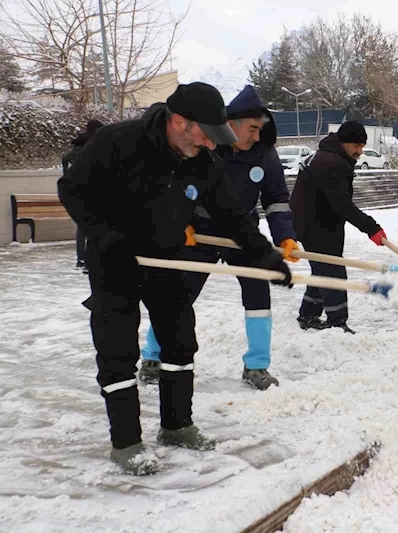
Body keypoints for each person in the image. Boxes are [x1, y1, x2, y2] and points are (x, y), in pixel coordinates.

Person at [57, 82, 293, 475]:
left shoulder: (203, 161)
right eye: (205, 135)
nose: (211, 146)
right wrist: (106, 235)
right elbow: (73, 191)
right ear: (179, 121)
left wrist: (264, 255)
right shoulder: (118, 142)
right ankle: (126, 443)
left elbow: (231, 215)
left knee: (180, 340)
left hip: (167, 258)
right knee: (117, 350)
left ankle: (177, 425)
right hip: (115, 260)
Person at [138, 85, 298, 391]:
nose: (256, 135)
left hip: (244, 233)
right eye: (252, 128)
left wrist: (285, 237)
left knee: (258, 297)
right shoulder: (208, 146)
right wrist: (180, 222)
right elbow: (180, 186)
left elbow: (277, 199)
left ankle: (256, 366)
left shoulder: (265, 154)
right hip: (201, 231)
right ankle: (153, 356)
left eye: (260, 129)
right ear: (232, 124)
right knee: (178, 296)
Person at [290, 121, 386, 334]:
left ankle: (309, 314)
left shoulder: (327, 155)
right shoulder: (331, 162)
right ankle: (337, 322)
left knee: (322, 268)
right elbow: (342, 204)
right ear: (343, 142)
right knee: (333, 271)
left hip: (313, 220)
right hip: (317, 223)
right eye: (356, 146)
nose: (360, 152)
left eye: (362, 146)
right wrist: (371, 228)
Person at [62, 119, 104, 273]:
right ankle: (91, 261)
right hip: (96, 192)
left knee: (82, 227)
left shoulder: (72, 153)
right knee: (98, 228)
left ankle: (81, 259)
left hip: (78, 194)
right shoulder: (95, 147)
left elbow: (66, 171)